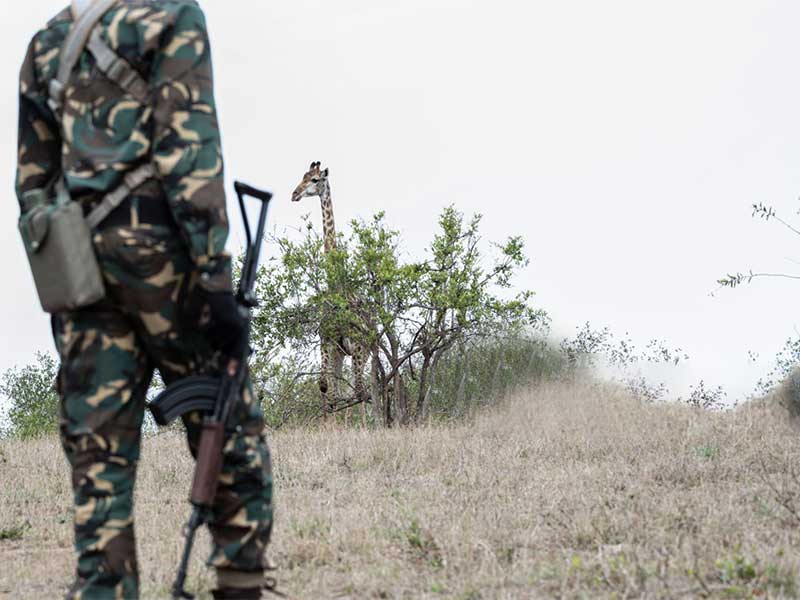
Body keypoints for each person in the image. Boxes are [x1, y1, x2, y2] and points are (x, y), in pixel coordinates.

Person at [15, 1, 273, 598]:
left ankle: (104, 588)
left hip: (81, 280)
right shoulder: (172, 16)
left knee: (98, 463)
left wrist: (68, 277)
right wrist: (214, 279)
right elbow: (191, 152)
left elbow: (32, 184)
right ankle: (240, 581)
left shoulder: (47, 43)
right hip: (169, 268)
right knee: (228, 426)